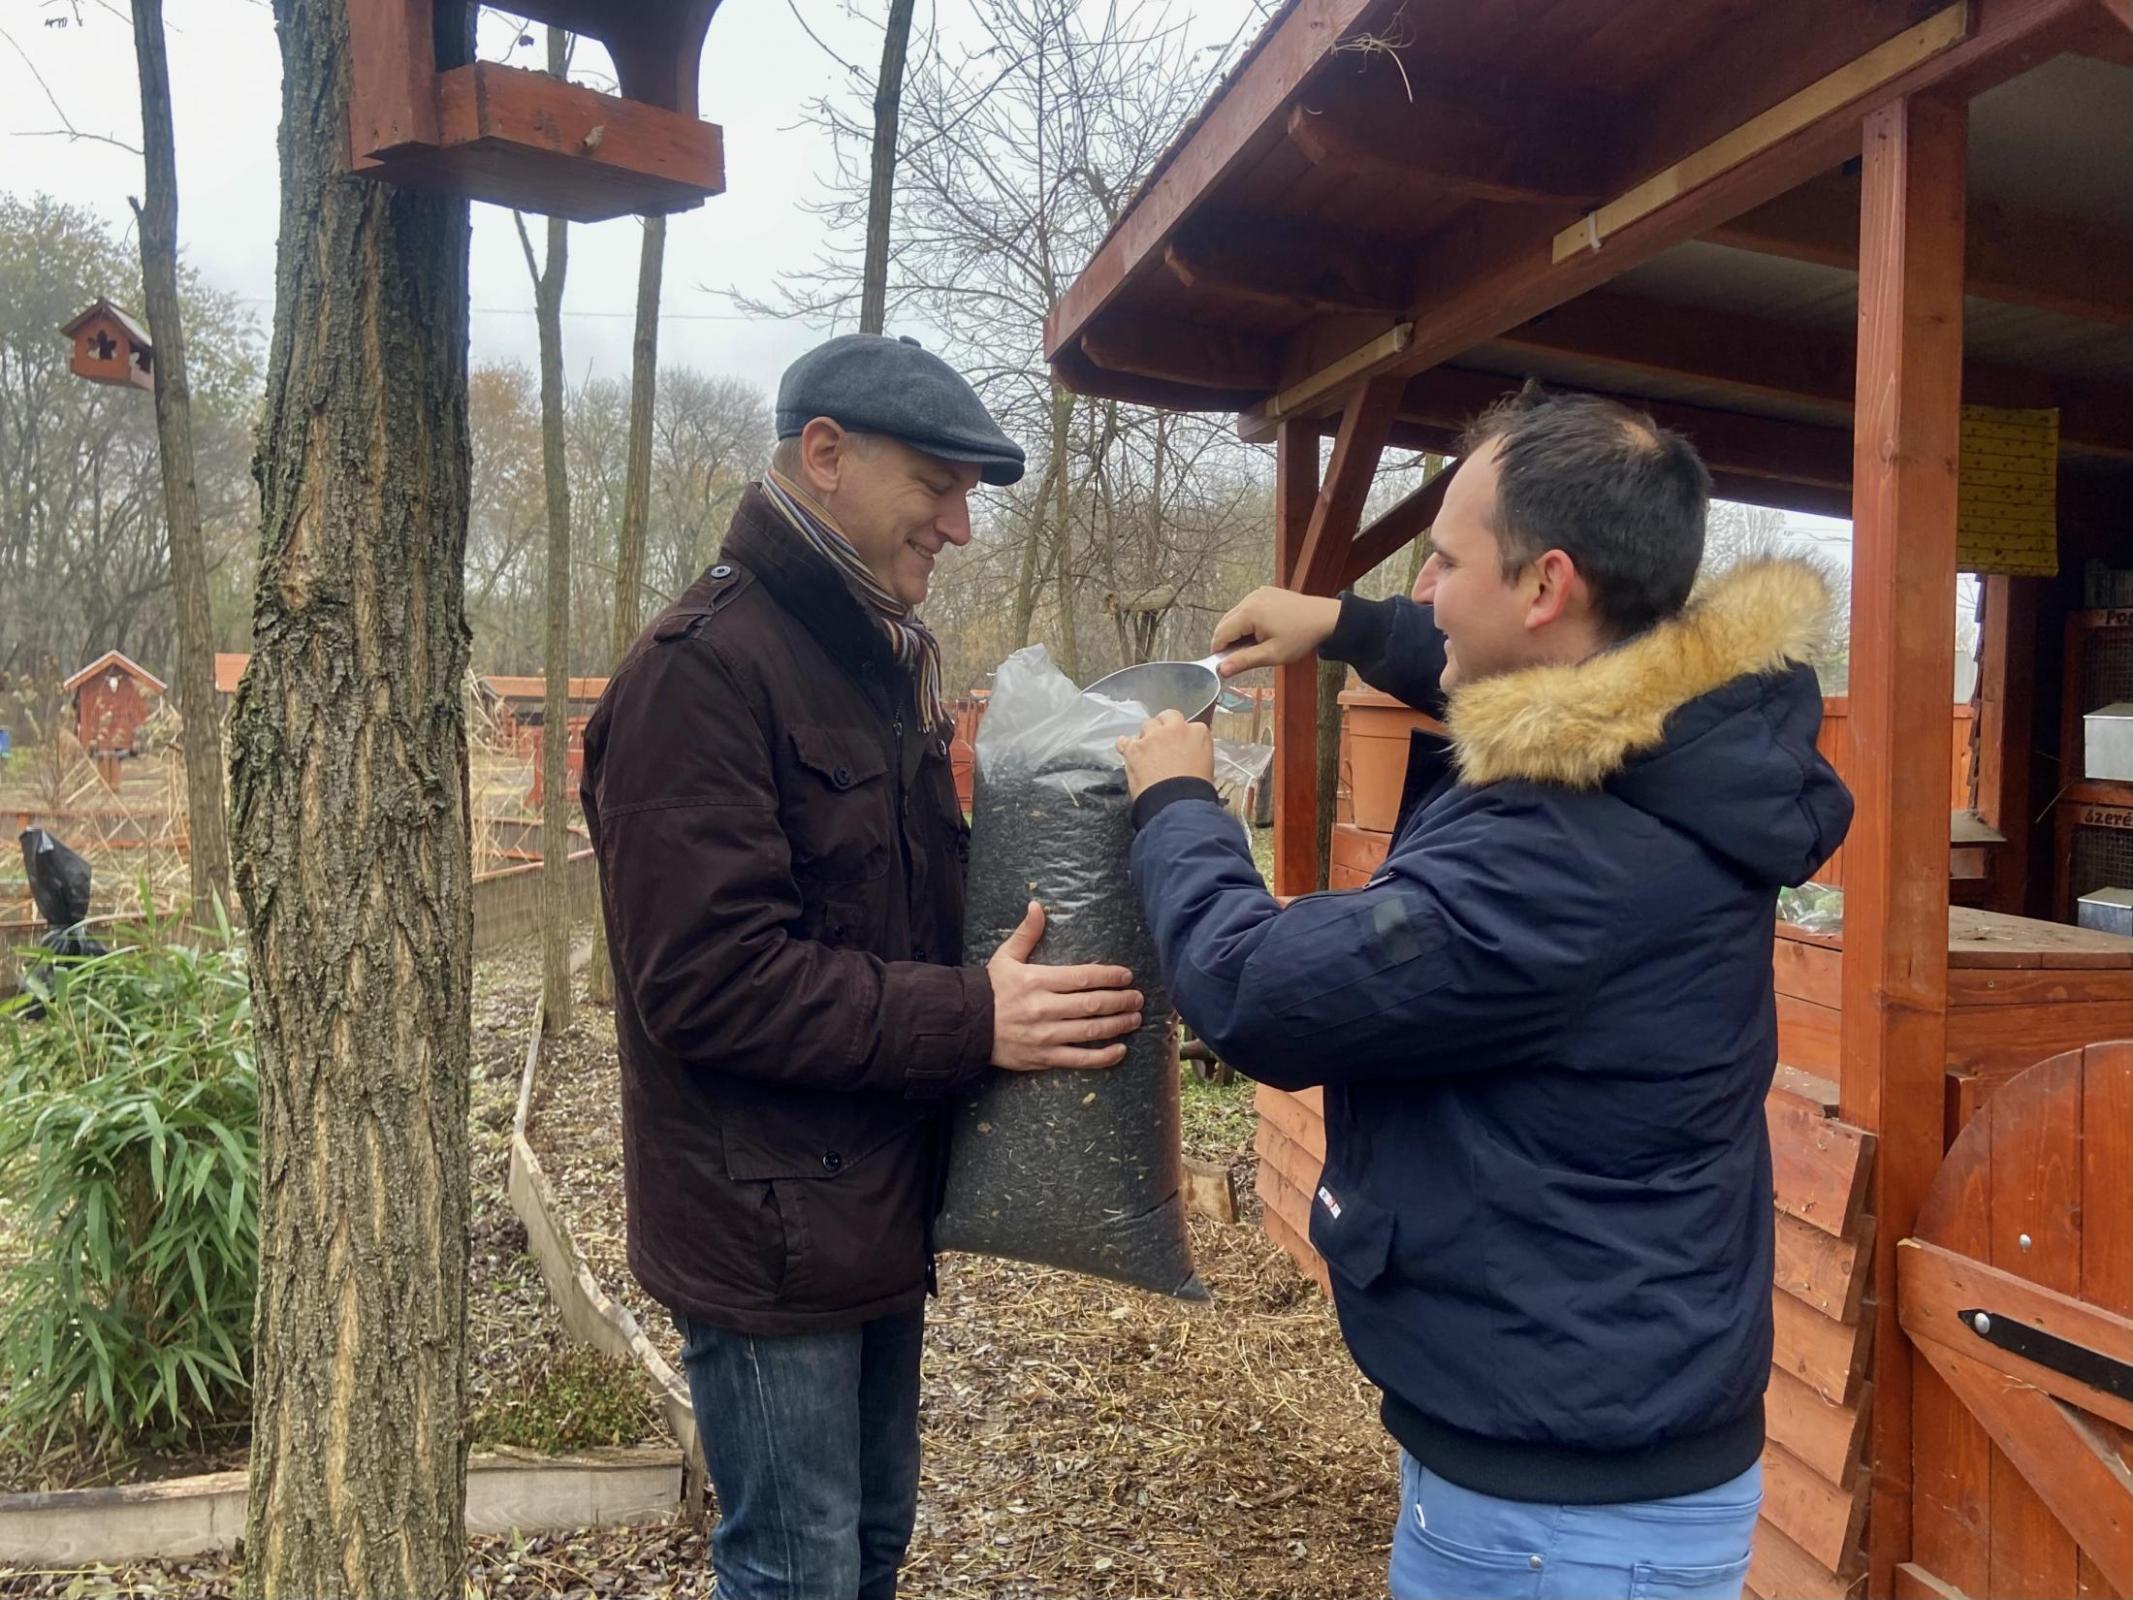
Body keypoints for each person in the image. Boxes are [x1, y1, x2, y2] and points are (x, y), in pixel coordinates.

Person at [1116, 389, 1853, 1599]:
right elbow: (1517, 676)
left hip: (1561, 1519)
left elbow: (1255, 990)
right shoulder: (1680, 730)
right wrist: (1346, 624)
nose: (1426, 587)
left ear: (1548, 584)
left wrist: (1179, 806)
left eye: (1445, 562)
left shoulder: (1558, 856)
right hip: (1583, 1449)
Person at [582, 333, 1144, 1600]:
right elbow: (709, 978)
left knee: (870, 1548)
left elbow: (906, 904)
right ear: (826, 454)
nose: (959, 525)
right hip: (767, 1232)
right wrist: (974, 1017)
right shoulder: (699, 675)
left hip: (871, 1203)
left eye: (968, 496)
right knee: (797, 1572)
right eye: (937, 486)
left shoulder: (877, 663)